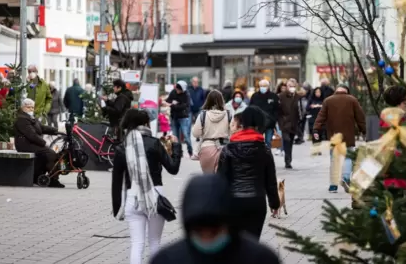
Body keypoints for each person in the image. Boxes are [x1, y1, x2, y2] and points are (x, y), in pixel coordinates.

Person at [150, 174, 281, 264]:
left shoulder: (261, 259)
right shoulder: (166, 260)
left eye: (214, 230)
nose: (207, 237)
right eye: (200, 230)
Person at [112, 109, 182, 264]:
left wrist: (118, 208)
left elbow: (116, 182)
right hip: (155, 197)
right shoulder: (154, 143)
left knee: (136, 244)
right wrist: (176, 146)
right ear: (145, 124)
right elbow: (173, 168)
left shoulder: (122, 147)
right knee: (155, 242)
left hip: (132, 198)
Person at [217, 106, 280, 240]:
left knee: (233, 243)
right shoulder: (265, 150)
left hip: (233, 202)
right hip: (256, 202)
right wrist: (274, 203)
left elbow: (220, 179)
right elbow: (271, 181)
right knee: (252, 243)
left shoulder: (228, 149)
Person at [313, 84, 366, 193]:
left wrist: (315, 129)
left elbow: (321, 116)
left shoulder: (328, 100)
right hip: (348, 136)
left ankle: (333, 186)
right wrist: (364, 130)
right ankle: (345, 178)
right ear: (346, 91)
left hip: (334, 136)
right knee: (347, 157)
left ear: (336, 90)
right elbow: (360, 118)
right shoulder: (352, 100)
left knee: (334, 159)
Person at [14, 98, 63, 187]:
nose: (31, 109)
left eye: (32, 107)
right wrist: (44, 143)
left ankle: (40, 176)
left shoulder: (31, 117)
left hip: (32, 143)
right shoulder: (22, 119)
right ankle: (53, 179)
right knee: (51, 153)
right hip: (25, 145)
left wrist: (57, 130)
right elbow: (31, 135)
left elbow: (42, 128)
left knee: (47, 154)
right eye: (28, 107)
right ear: (23, 108)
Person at [192, 90, 230, 173]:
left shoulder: (203, 115)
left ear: (207, 100)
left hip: (207, 148)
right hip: (225, 148)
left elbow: (196, 133)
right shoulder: (228, 115)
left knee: (209, 180)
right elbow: (233, 132)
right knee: (223, 179)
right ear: (221, 100)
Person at [164, 81, 193, 157]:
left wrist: (173, 105)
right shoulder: (173, 92)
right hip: (174, 117)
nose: (178, 91)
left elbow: (184, 106)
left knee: (186, 136)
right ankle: (179, 152)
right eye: (177, 89)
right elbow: (168, 101)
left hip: (183, 117)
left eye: (179, 90)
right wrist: (171, 103)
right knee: (176, 137)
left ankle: (190, 151)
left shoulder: (186, 94)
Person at [278, 78, 302, 169]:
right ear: (286, 86)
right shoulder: (281, 96)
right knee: (286, 140)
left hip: (294, 123)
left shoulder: (297, 97)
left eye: (293, 86)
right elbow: (278, 111)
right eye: (290, 86)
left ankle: (288, 159)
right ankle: (287, 160)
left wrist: (300, 119)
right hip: (284, 123)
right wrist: (280, 122)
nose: (292, 88)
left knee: (290, 141)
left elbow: (300, 109)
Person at [249, 79, 280, 148]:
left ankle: (267, 156)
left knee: (268, 141)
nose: (263, 87)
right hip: (258, 124)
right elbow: (250, 108)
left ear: (268, 87)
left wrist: (274, 119)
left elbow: (277, 109)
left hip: (270, 124)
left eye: (265, 86)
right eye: (261, 86)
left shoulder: (273, 96)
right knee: (257, 141)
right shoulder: (255, 96)